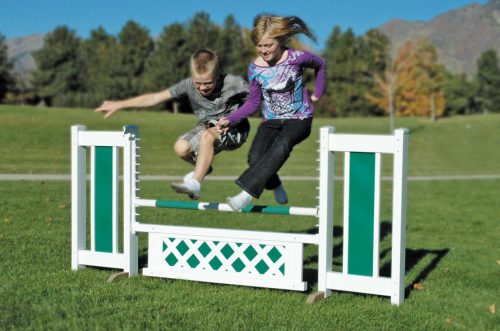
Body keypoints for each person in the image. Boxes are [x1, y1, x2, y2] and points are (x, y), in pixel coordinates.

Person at [95, 49, 249, 200]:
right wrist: (120, 104)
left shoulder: (233, 83)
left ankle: (195, 183)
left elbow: (255, 101)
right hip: (206, 127)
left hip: (235, 129)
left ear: (217, 75)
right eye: (198, 83)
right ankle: (203, 169)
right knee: (181, 148)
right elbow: (155, 98)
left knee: (207, 136)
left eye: (208, 83)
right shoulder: (188, 84)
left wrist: (235, 118)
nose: (202, 88)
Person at [217, 15, 327, 211]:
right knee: (255, 158)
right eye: (259, 46)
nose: (263, 50)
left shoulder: (296, 58)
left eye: (268, 45)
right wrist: (231, 120)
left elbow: (321, 65)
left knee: (283, 144)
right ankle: (275, 184)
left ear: (280, 40)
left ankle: (246, 194)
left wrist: (318, 92)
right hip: (271, 120)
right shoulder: (254, 69)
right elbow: (252, 102)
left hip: (300, 118)